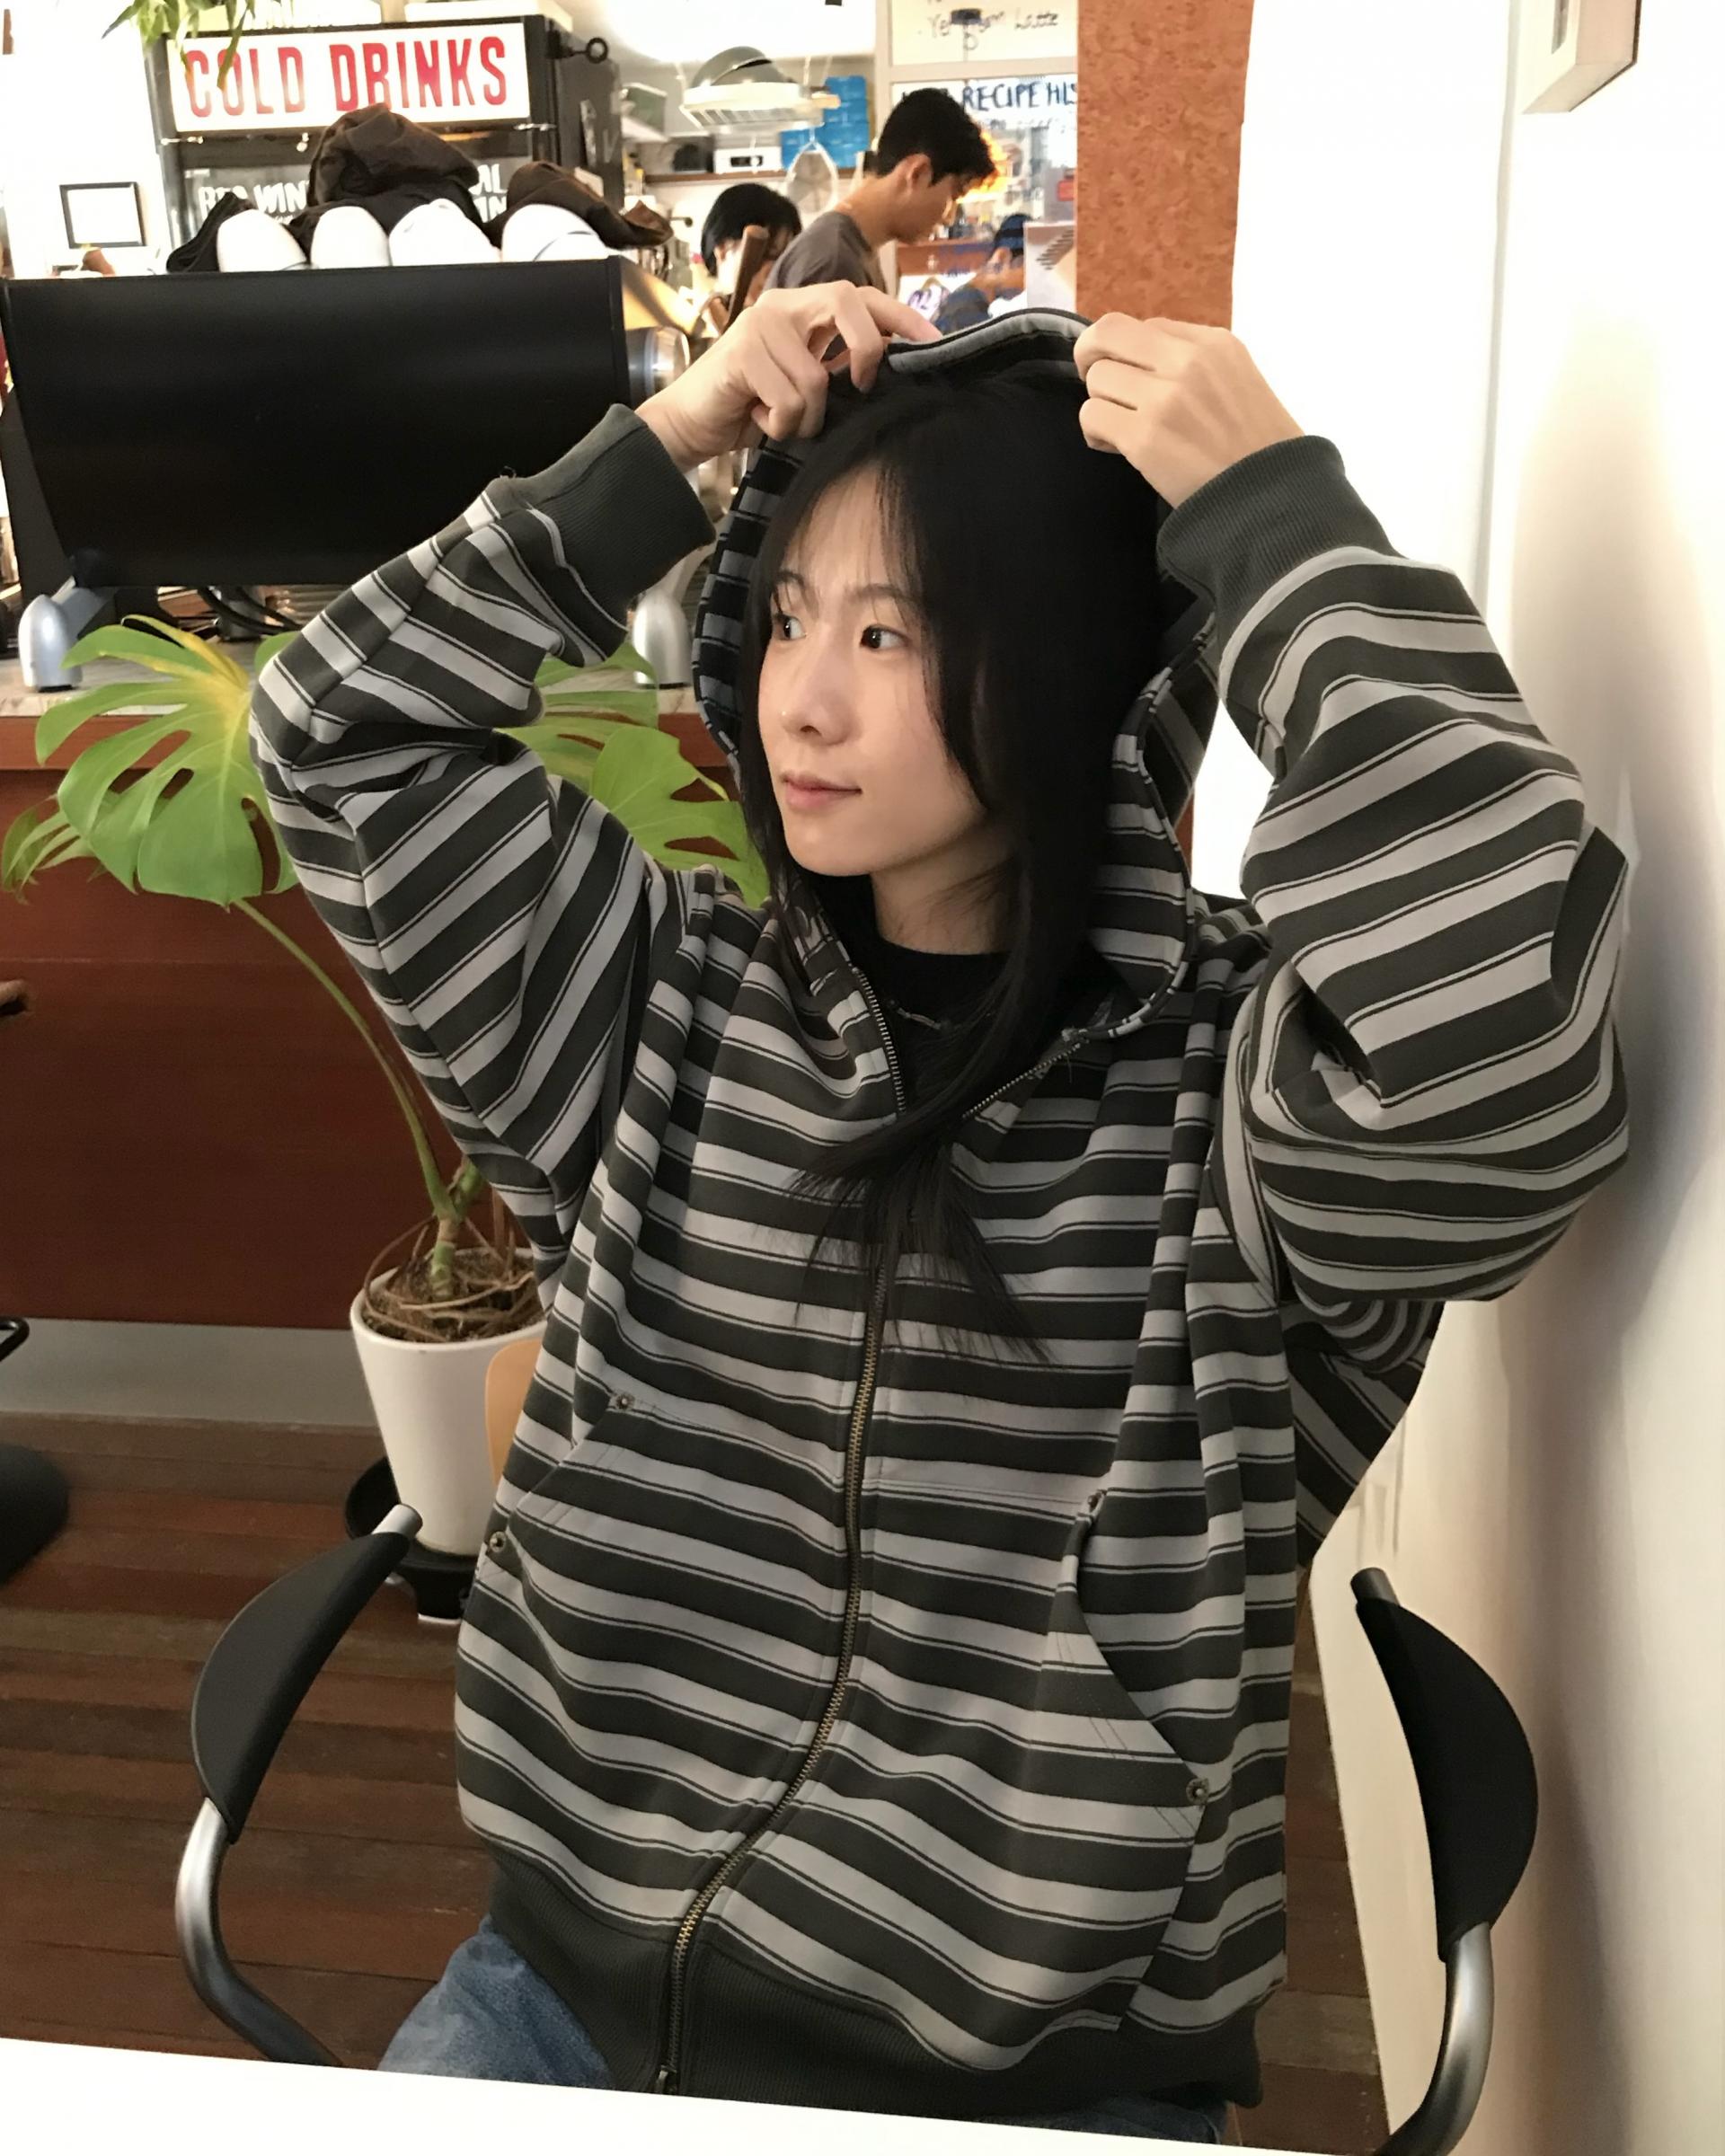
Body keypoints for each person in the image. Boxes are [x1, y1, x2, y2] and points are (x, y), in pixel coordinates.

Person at [252, 285, 1627, 2138]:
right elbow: (339, 730)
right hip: (560, 2001)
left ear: (1068, 664)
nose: (801, 700)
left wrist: (1278, 523)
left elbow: (1502, 1059)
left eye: (890, 632)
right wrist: (673, 441)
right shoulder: (654, 1012)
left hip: (1026, 2077)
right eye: (788, 616)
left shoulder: (1249, 1104)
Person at [764, 87, 994, 296]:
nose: (949, 218)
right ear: (918, 173)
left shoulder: (853, 249)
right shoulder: (832, 262)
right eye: (954, 196)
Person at [695, 181, 802, 332]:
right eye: (767, 253)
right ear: (723, 248)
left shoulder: (786, 325)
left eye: (785, 257)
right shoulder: (693, 325)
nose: (776, 269)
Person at [934, 212, 1026, 332]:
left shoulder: (964, 302)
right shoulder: (966, 313)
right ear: (1002, 257)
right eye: (1028, 273)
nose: (1027, 285)